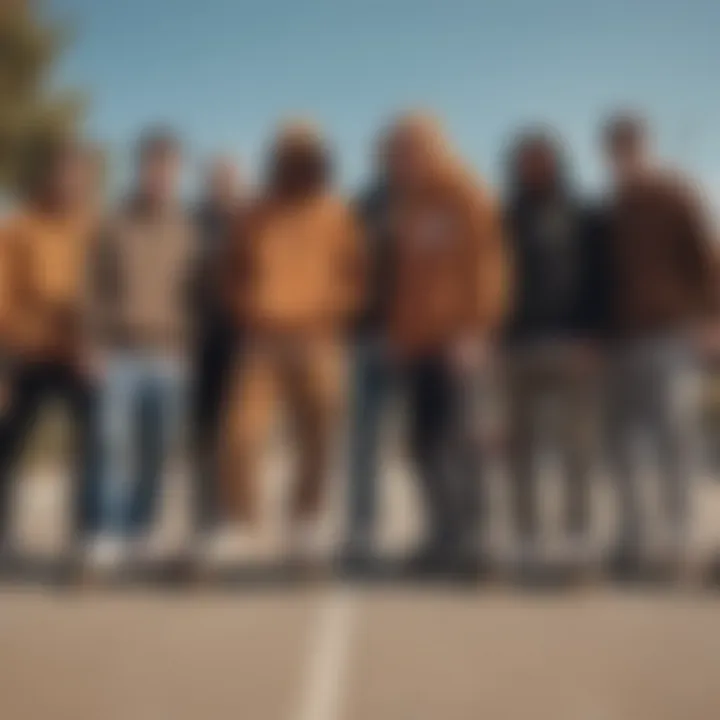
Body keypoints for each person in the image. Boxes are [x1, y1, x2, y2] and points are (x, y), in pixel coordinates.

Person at [211, 121, 365, 568]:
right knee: (240, 433)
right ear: (276, 159)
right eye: (287, 154)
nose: (296, 162)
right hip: (261, 342)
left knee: (318, 437)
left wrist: (329, 312)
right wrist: (249, 308)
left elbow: (355, 277)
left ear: (320, 158)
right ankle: (240, 524)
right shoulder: (254, 214)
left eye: (305, 154)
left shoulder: (337, 215)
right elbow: (231, 274)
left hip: (320, 341)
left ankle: (306, 522)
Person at [385, 113, 509, 574]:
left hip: (459, 343)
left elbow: (489, 266)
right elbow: (408, 280)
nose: (402, 160)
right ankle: (441, 539)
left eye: (410, 149)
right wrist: (400, 335)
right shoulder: (410, 205)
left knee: (466, 444)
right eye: (397, 152)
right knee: (424, 445)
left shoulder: (468, 193)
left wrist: (477, 328)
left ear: (433, 146)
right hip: (417, 346)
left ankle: (479, 545)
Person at [602, 113, 719, 574]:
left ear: (646, 145)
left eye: (631, 146)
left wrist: (711, 320)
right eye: (616, 149)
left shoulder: (676, 195)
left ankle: (680, 540)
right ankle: (634, 538)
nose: (624, 156)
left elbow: (705, 259)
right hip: (622, 339)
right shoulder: (614, 206)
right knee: (624, 443)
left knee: (675, 438)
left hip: (671, 335)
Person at [503, 129, 610, 577]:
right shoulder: (503, 216)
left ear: (557, 163)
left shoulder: (585, 216)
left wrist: (596, 334)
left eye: (541, 159)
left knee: (577, 449)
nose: (534, 167)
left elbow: (604, 278)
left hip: (573, 346)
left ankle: (577, 539)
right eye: (526, 160)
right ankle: (527, 539)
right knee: (519, 450)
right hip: (514, 349)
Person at [87, 128, 195, 569]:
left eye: (167, 167)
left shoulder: (188, 228)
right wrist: (92, 345)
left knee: (156, 451)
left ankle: (141, 532)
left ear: (177, 172)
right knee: (112, 446)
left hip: (170, 356)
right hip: (120, 353)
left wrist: (191, 347)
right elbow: (91, 288)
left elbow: (199, 294)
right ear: (139, 168)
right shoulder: (113, 223)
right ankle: (107, 535)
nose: (159, 175)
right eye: (152, 166)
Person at [0, 137, 101, 562]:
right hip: (27, 354)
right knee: (8, 444)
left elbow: (108, 293)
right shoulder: (19, 228)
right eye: (61, 172)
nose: (69, 181)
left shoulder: (97, 228)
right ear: (46, 178)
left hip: (82, 356)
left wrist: (96, 344)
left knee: (94, 447)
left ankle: (84, 538)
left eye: (77, 174)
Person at [344, 130, 398, 570]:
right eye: (386, 150)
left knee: (429, 440)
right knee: (363, 440)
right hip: (365, 338)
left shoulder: (431, 200)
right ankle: (363, 530)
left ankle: (444, 532)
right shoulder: (358, 207)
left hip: (421, 338)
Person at [189, 157, 243, 544]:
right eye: (217, 178)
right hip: (199, 341)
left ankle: (230, 515)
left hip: (244, 341)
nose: (223, 184)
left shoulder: (253, 222)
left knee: (239, 433)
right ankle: (205, 519)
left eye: (230, 178)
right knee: (204, 435)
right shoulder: (190, 222)